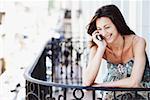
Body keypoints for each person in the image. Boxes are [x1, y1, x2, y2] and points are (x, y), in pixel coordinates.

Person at [82, 4, 150, 99]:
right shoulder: (98, 46)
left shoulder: (137, 42)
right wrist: (101, 48)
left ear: (117, 24)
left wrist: (101, 85)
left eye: (107, 27)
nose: (104, 33)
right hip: (112, 96)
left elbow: (134, 82)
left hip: (141, 95)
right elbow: (86, 83)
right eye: (99, 29)